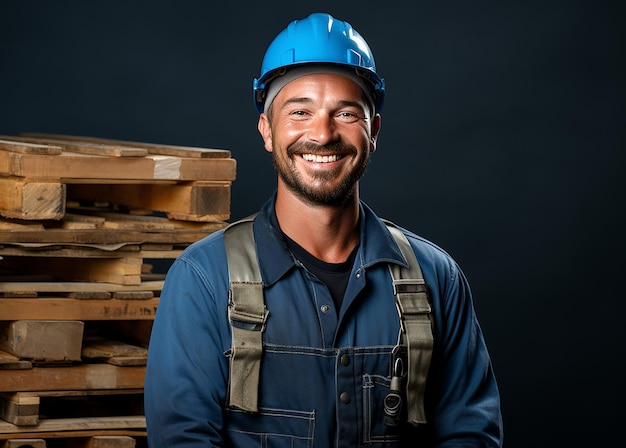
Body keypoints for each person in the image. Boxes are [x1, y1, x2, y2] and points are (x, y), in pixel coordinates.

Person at [144, 12, 503, 447]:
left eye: (346, 113)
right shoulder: (203, 278)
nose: (323, 133)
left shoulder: (435, 278)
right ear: (267, 131)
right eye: (300, 111)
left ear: (374, 131)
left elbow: (471, 435)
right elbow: (183, 439)